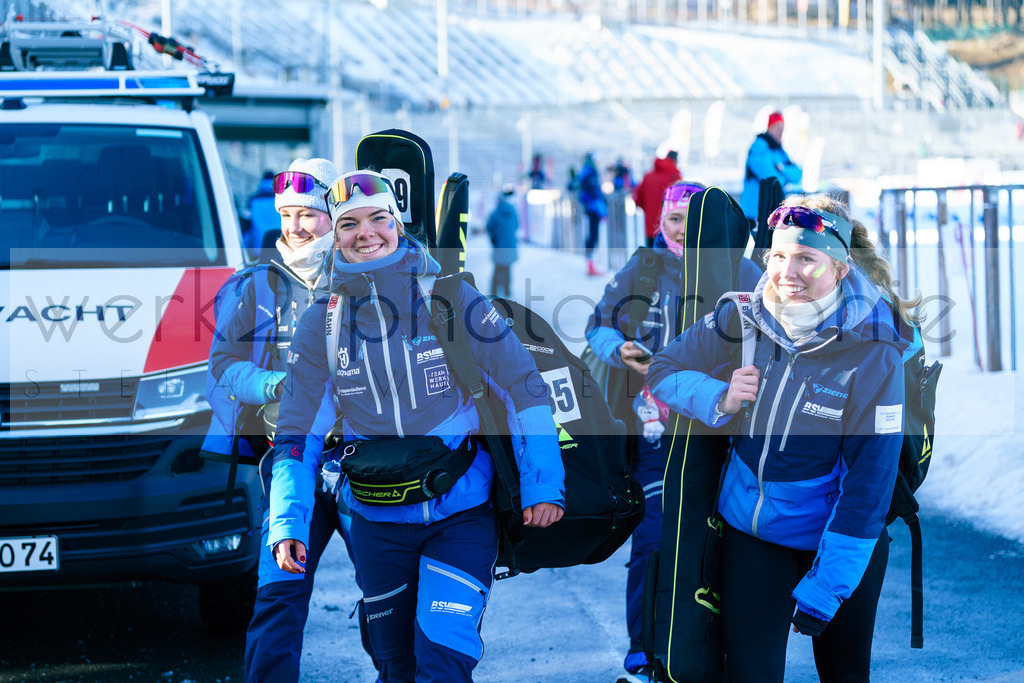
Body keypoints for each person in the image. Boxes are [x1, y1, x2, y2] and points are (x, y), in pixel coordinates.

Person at [267, 169, 566, 682]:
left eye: (379, 218)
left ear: (399, 225)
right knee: (395, 665)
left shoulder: (451, 298)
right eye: (349, 224)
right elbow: (297, 432)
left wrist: (543, 483)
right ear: (334, 235)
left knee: (443, 660)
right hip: (376, 519)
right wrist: (287, 521)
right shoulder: (325, 319)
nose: (366, 233)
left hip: (460, 511)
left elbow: (524, 387)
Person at [647, 195, 917, 682]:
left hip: (840, 539)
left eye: (805, 258)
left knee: (844, 673)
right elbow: (664, 368)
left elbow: (869, 484)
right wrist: (719, 397)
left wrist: (826, 589)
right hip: (757, 534)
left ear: (838, 268)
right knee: (751, 675)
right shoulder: (743, 318)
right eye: (777, 256)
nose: (786, 271)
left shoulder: (875, 350)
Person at [585, 181, 761, 683]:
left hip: (724, 432)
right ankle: (645, 654)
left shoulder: (742, 271)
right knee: (655, 538)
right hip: (653, 430)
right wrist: (619, 351)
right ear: (660, 219)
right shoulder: (643, 267)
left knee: (720, 543)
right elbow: (597, 327)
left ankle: (705, 652)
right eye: (674, 217)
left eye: (693, 220)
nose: (682, 229)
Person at [205, 158, 372, 683]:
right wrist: (274, 386)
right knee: (278, 595)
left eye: (309, 214)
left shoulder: (370, 273)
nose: (296, 227)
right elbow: (223, 366)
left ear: (333, 212)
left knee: (389, 594)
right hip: (290, 460)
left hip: (364, 463)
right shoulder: (255, 285)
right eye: (287, 214)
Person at [740, 111, 802, 225]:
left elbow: (798, 174)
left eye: (782, 128)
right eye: (778, 128)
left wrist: (782, 168)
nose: (781, 132)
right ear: (770, 128)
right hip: (755, 211)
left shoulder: (779, 150)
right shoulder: (758, 147)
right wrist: (784, 176)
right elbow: (771, 177)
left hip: (771, 210)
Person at [632, 151, 681, 248]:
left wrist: (648, 209)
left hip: (651, 227)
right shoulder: (675, 176)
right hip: (671, 228)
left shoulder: (648, 176)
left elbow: (638, 198)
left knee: (653, 258)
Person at [485, 183, 519, 298]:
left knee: (497, 269)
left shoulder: (496, 213)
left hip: (499, 245)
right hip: (510, 245)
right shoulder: (513, 212)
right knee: (508, 268)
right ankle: (506, 291)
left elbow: (489, 227)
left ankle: (494, 290)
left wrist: (494, 237)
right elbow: (516, 226)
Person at [578, 152, 607, 276]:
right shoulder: (589, 172)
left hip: (592, 208)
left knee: (593, 236)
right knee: (593, 236)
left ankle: (591, 264)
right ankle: (590, 265)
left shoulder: (587, 171)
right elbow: (591, 191)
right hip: (593, 208)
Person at [244, 170, 282, 257]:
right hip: (278, 245)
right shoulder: (280, 199)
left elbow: (247, 226)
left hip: (257, 247)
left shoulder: (253, 200)